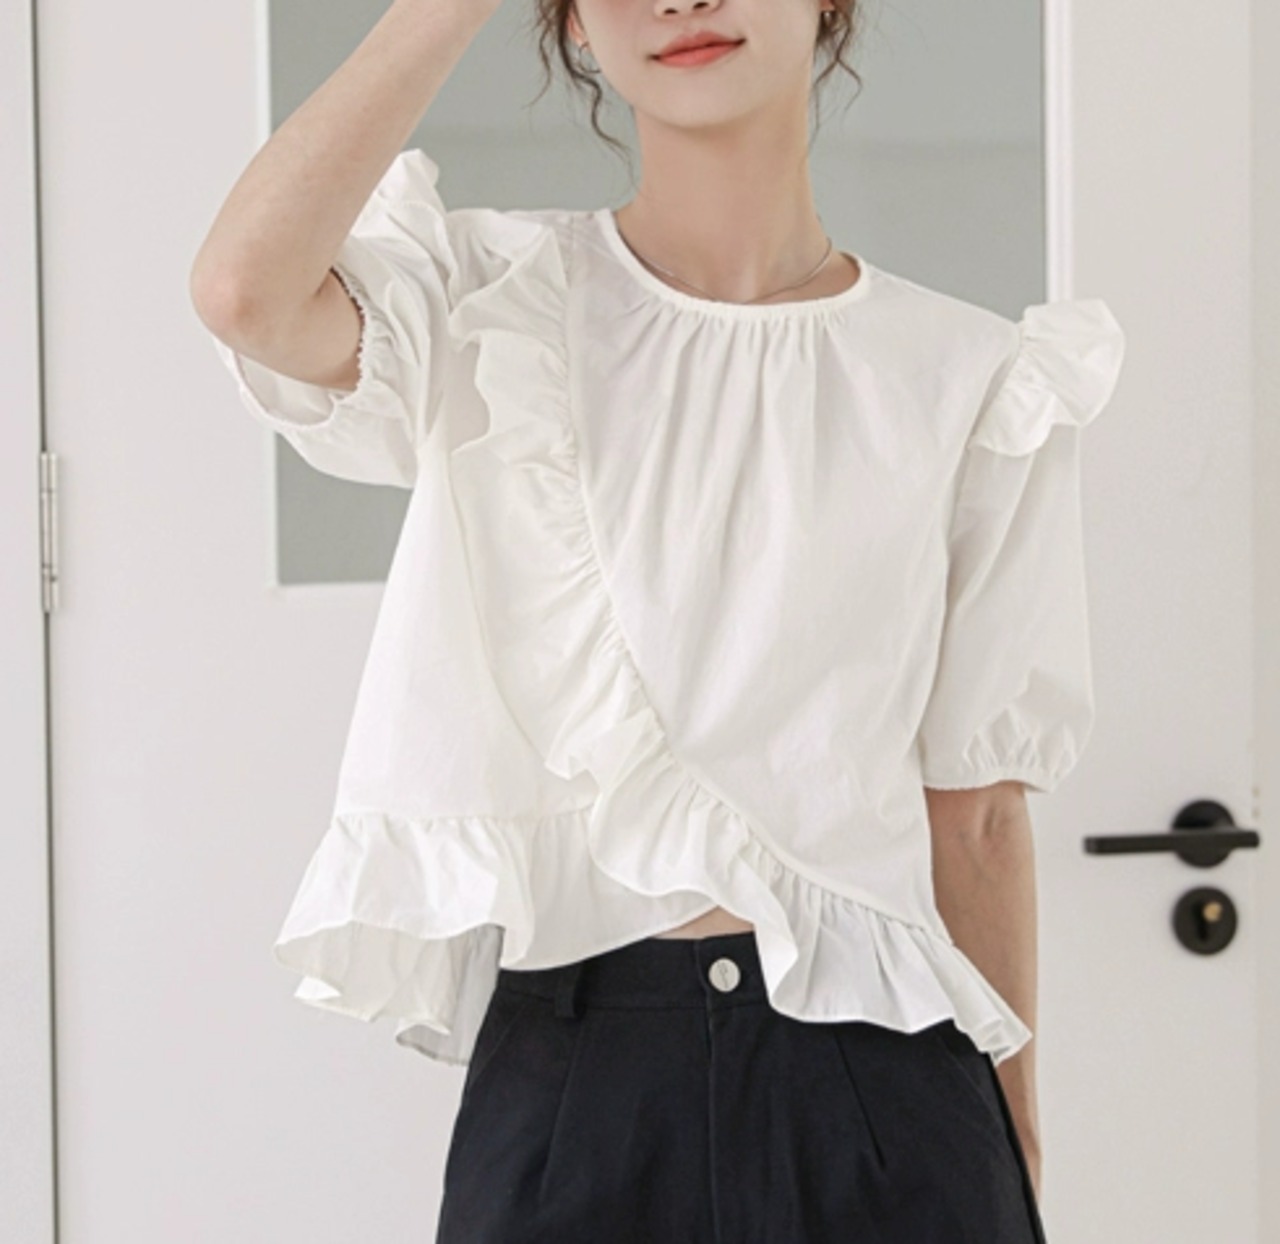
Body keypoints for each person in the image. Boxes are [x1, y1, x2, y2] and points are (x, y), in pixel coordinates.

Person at [191, 1, 1126, 1239]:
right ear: (574, 24)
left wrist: (1015, 1141)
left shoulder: (968, 376)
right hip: (574, 1077)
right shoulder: (487, 299)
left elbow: (980, 816)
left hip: (887, 1084)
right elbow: (245, 291)